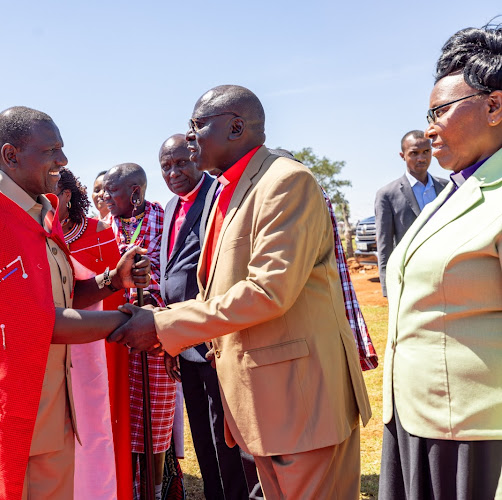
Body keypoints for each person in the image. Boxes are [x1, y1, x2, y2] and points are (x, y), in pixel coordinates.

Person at [109, 85, 372, 499]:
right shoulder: (228, 191)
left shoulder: (286, 181)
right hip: (262, 403)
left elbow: (268, 290)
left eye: (197, 125)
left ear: (235, 127)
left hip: (299, 403)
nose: (190, 137)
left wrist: (163, 325)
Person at [0, 106, 151, 500]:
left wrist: (110, 282)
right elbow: (36, 322)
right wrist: (133, 321)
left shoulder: (38, 214)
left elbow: (61, 297)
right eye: (51, 150)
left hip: (53, 405)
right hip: (16, 412)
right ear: (11, 155)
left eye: (62, 148)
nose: (63, 160)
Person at [380, 24, 502, 499]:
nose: (429, 129)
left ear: (494, 106)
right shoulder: (449, 194)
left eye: (441, 111)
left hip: (476, 438)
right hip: (415, 421)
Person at [158, 133, 254, 500]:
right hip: (184, 340)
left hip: (213, 337)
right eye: (166, 166)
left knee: (225, 436)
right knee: (202, 433)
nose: (174, 171)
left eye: (181, 162)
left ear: (196, 157)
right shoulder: (171, 207)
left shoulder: (218, 196)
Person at [102, 162, 177, 499]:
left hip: (156, 335)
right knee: (121, 421)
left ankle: (155, 490)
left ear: (135, 192)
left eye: (111, 191)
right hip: (118, 337)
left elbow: (176, 276)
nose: (104, 196)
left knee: (156, 424)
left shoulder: (165, 221)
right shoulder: (105, 227)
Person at [56, 167, 131, 500]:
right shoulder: (35, 235)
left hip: (100, 349)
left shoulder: (100, 232)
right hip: (55, 348)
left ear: (67, 196)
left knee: (101, 423)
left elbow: (115, 293)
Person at [374, 130, 448, 296]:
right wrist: (388, 290)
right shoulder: (387, 195)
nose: (421, 158)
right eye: (414, 153)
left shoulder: (447, 187)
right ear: (403, 155)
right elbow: (384, 245)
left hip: (446, 274)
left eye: (426, 152)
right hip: (411, 279)